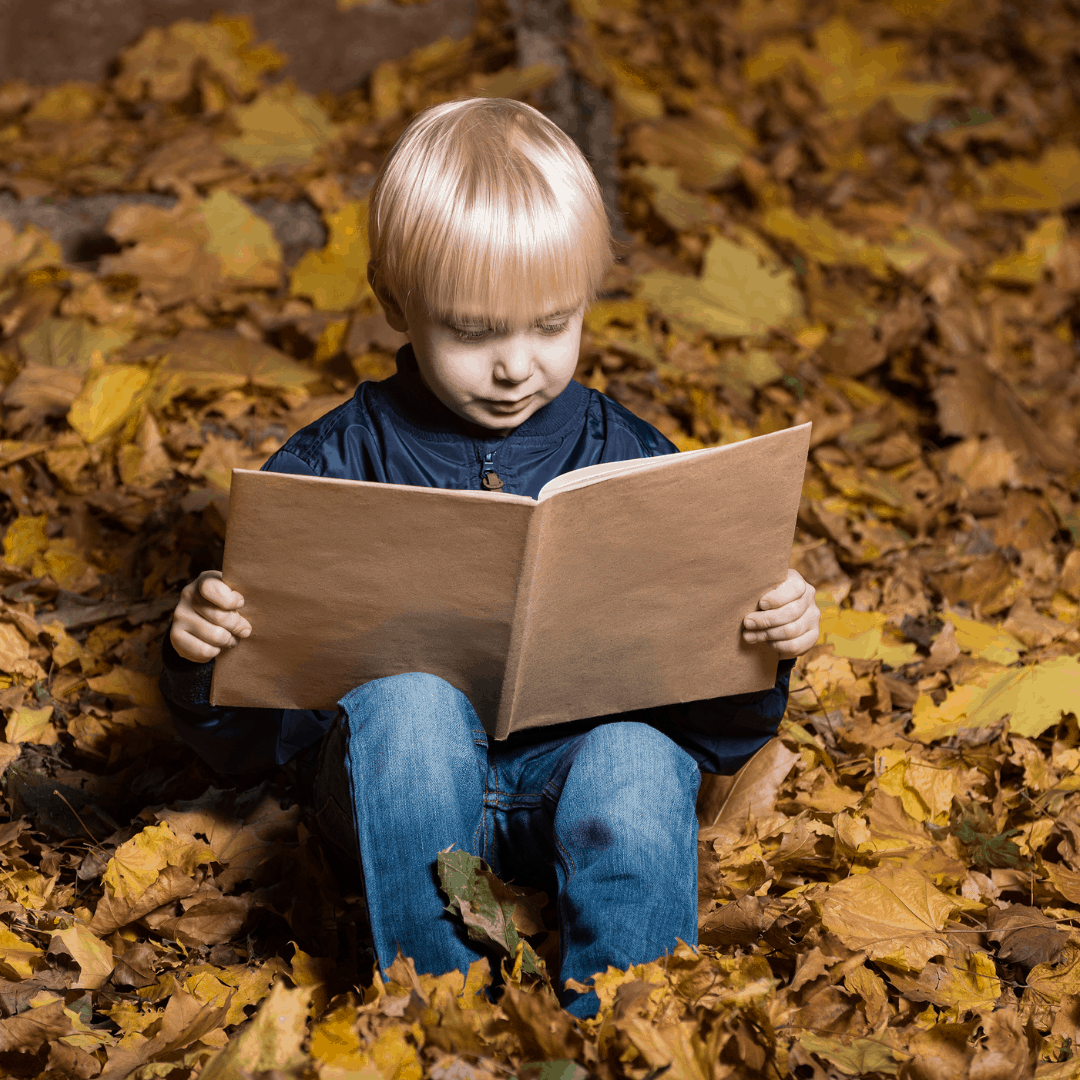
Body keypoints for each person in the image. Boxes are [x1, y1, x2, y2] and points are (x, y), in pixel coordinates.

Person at [159, 97, 820, 1018]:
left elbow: (719, 734)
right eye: (473, 333)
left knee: (635, 754)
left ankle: (636, 1023)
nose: (517, 366)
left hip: (574, 786)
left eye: (552, 325)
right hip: (400, 804)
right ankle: (437, 1016)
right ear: (396, 304)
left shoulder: (634, 458)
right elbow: (248, 745)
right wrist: (203, 657)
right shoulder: (329, 469)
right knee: (413, 704)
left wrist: (761, 645)